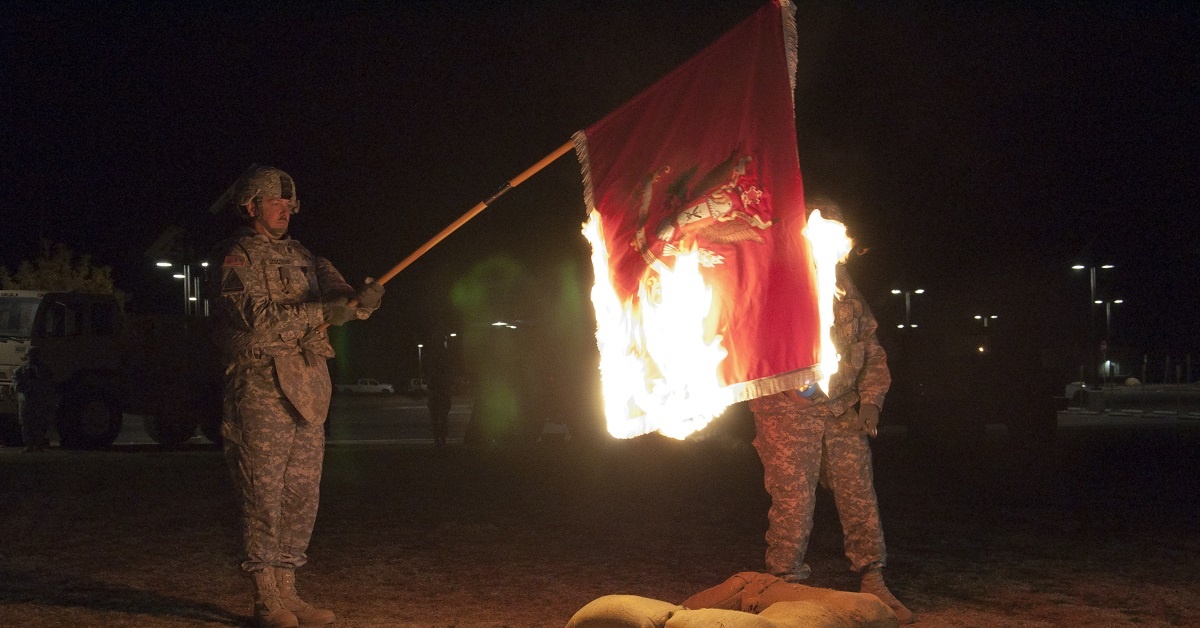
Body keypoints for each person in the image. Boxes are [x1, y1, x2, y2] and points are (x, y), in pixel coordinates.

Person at [209, 165, 384, 628]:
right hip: (260, 387)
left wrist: (361, 300)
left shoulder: (306, 256)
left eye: (290, 204)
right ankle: (266, 598)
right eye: (275, 202)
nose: (285, 210)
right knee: (261, 494)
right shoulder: (236, 258)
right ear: (251, 206)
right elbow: (256, 320)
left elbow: (339, 292)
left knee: (302, 495)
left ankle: (289, 590)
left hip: (308, 388)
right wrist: (324, 311)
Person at [748, 199, 914, 623]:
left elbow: (871, 350)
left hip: (840, 409)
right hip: (786, 415)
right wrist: (786, 387)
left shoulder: (843, 286)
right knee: (793, 500)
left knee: (859, 491)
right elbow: (750, 346)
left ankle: (873, 578)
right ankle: (786, 587)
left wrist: (872, 402)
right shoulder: (776, 282)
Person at [12, 345, 56, 453]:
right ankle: (29, 445)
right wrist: (26, 389)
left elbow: (49, 382)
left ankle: (38, 444)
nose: (32, 357)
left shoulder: (44, 369)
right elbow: (16, 383)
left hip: (39, 399)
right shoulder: (21, 369)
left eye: (34, 355)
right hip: (26, 400)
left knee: (39, 423)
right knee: (26, 423)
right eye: (31, 355)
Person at [424, 341, 453, 448]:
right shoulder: (444, 360)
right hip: (441, 394)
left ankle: (438, 440)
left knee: (435, 419)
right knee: (442, 419)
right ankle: (442, 439)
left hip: (435, 394)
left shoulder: (431, 359)